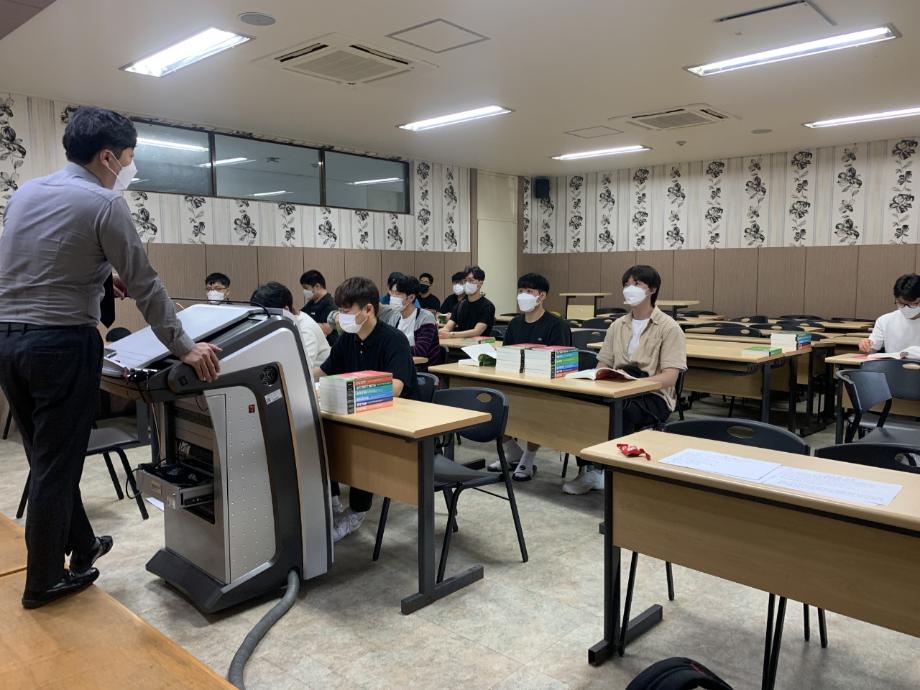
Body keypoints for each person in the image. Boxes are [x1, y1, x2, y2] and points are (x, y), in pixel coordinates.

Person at [0, 106, 220, 609]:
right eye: (128, 157)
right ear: (107, 156)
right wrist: (185, 347)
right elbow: (146, 284)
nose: (129, 166)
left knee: (46, 457)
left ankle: (82, 545)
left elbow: (42, 262)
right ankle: (42, 582)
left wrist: (101, 275)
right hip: (60, 345)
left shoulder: (27, 192)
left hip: (7, 340)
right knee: (57, 467)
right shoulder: (104, 203)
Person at [563, 265, 686, 495]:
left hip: (653, 395)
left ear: (652, 289)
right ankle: (589, 469)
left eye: (637, 284)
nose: (630, 289)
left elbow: (670, 377)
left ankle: (617, 475)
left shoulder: (670, 328)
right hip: (617, 387)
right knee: (585, 406)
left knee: (621, 411)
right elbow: (603, 363)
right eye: (627, 284)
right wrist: (598, 377)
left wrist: (634, 386)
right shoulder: (617, 325)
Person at [314, 277, 417, 541]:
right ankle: (332, 500)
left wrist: (351, 390)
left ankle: (357, 511)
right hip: (354, 411)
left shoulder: (393, 340)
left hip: (391, 419)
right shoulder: (348, 339)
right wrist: (294, 373)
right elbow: (324, 371)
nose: (341, 318)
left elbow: (396, 387)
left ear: (368, 309)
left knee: (358, 445)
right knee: (318, 436)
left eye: (346, 311)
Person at [489, 273, 572, 480]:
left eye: (529, 291)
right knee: (494, 401)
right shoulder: (515, 324)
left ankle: (528, 457)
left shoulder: (556, 325)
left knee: (534, 408)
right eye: (520, 291)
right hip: (514, 381)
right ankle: (512, 451)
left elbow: (560, 360)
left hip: (543, 386)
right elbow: (507, 353)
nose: (523, 296)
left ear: (541, 296)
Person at [250, 282, 330, 367]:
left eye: (266, 316)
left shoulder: (305, 330)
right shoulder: (287, 323)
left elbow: (300, 369)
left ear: (285, 310)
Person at [380, 274, 444, 366]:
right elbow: (386, 346)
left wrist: (393, 350)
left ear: (411, 297)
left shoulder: (425, 317)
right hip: (398, 365)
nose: (393, 297)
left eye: (398, 294)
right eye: (392, 293)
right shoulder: (394, 317)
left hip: (422, 370)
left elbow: (420, 351)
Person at [859, 273, 920, 354]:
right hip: (892, 362)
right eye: (900, 303)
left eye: (912, 304)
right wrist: (866, 346)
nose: (906, 308)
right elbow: (872, 349)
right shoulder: (885, 321)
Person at [438, 266, 495, 339]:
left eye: (470, 280)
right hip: (459, 342)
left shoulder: (487, 306)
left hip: (479, 344)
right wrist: (440, 332)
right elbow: (448, 327)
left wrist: (451, 335)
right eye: (465, 281)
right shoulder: (460, 304)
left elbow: (477, 331)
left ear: (480, 283)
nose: (467, 283)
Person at [300, 269, 337, 345]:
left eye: (306, 288)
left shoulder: (330, 304)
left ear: (317, 286)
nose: (304, 291)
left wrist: (305, 325)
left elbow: (327, 329)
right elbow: (300, 315)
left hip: (329, 347)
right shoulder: (311, 302)